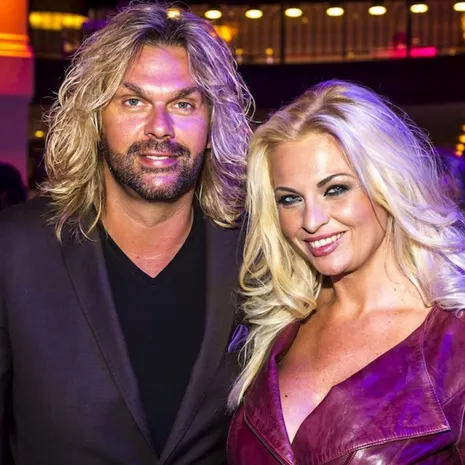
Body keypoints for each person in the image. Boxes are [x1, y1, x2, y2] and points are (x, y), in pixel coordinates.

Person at [0, 3, 252, 465]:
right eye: (133, 101)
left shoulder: (255, 254)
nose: (160, 128)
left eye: (183, 104)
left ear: (212, 122)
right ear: (96, 118)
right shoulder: (13, 250)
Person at [227, 80, 465, 463]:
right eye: (290, 199)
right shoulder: (274, 330)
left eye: (335, 189)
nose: (311, 220)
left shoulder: (454, 343)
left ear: (387, 186)